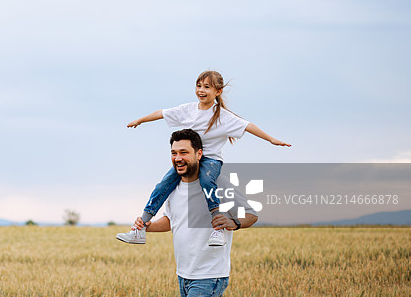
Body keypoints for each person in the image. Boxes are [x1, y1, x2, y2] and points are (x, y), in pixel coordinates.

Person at [117, 70, 288, 246]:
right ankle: (140, 228)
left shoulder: (223, 116)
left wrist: (271, 139)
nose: (201, 90)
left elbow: (248, 126)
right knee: (163, 185)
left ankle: (217, 228)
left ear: (218, 91)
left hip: (210, 161)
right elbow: (161, 113)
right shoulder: (187, 110)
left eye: (207, 87)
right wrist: (139, 120)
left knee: (207, 181)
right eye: (199, 86)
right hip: (189, 161)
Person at [129, 129, 258, 297]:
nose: (178, 158)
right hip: (184, 273)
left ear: (199, 154)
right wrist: (147, 226)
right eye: (174, 153)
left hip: (209, 274)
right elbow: (172, 221)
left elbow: (251, 215)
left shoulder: (218, 185)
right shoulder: (173, 189)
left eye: (184, 152)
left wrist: (233, 223)